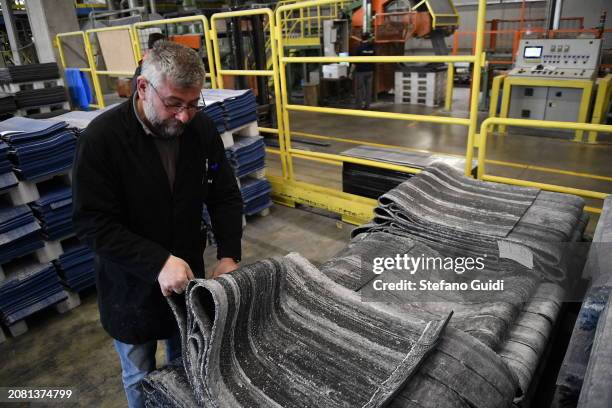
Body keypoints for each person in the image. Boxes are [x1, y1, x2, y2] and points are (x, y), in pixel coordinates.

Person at [73, 41, 243, 408]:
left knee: (186, 363)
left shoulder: (201, 131)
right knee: (140, 375)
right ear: (143, 88)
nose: (184, 116)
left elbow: (223, 194)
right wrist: (156, 262)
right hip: (129, 287)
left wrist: (229, 253)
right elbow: (93, 223)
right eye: (174, 104)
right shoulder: (102, 140)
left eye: (193, 104)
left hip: (187, 279)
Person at [352, 32, 375, 109]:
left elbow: (355, 62)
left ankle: (359, 106)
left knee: (360, 89)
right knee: (368, 89)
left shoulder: (359, 48)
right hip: (370, 71)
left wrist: (350, 72)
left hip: (360, 72)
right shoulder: (372, 48)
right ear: (368, 38)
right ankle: (367, 106)